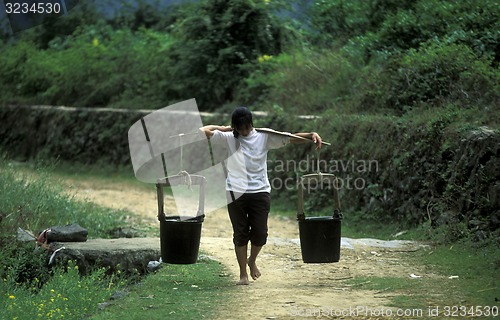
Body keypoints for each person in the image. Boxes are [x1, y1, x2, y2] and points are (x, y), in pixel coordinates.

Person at [199, 106, 323, 285]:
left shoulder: (264, 136)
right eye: (240, 129)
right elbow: (202, 131)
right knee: (240, 234)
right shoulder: (227, 137)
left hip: (260, 191)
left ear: (251, 124)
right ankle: (243, 274)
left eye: (247, 127)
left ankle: (252, 260)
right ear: (235, 127)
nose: (244, 132)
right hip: (235, 192)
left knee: (260, 234)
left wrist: (311, 135)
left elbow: (290, 138)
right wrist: (221, 128)